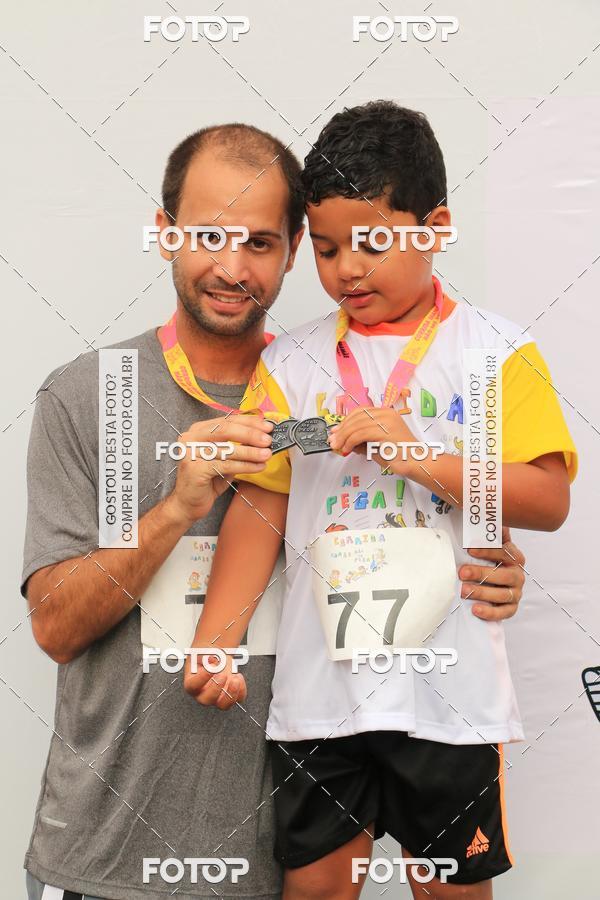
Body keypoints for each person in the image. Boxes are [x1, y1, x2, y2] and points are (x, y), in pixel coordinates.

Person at [22, 120, 528, 900]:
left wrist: (475, 557)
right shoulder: (97, 396)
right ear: (165, 233)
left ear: (293, 249)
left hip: (271, 858)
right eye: (208, 236)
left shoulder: (316, 382)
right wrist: (175, 509)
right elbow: (56, 628)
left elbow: (440, 508)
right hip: (106, 861)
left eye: (259, 242)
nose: (232, 266)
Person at [183, 102, 578, 900]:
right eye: (327, 249)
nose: (348, 270)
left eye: (371, 243)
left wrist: (421, 457)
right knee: (318, 887)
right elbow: (259, 511)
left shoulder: (496, 350)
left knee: (449, 887)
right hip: (320, 692)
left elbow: (547, 497)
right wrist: (215, 639)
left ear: (436, 228)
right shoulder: (290, 363)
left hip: (450, 695)